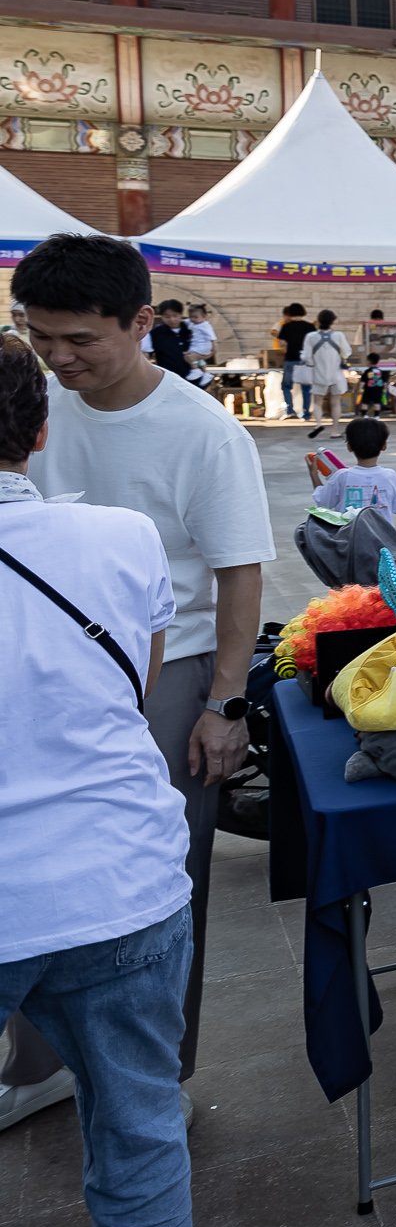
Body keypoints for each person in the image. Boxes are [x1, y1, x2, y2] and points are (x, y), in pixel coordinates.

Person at [13, 234, 272, 1109]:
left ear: (142, 321)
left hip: (167, 673)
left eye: (80, 338)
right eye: (39, 335)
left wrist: (224, 703)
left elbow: (239, 573)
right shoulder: (35, 407)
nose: (58, 355)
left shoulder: (201, 430)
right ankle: (39, 1067)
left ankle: (158, 1067)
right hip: (41, 664)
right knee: (34, 868)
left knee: (166, 872)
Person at [0, 343, 197, 1227]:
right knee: (141, 1136)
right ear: (39, 432)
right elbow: (133, 689)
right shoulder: (122, 537)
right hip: (123, 880)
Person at [311, 417, 396, 517]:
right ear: (384, 446)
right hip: (381, 532)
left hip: (348, 532)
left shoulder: (342, 476)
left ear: (349, 447)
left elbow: (323, 503)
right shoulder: (390, 475)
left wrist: (313, 474)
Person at [302, 309, 350, 436]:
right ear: (332, 322)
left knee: (317, 402)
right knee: (336, 402)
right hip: (337, 374)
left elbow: (306, 356)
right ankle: (334, 431)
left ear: (318, 321)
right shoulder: (339, 336)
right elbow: (347, 352)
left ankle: (318, 424)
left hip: (319, 373)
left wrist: (311, 362)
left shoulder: (310, 337)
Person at [273, 303, 315, 419]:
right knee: (306, 388)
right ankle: (306, 413)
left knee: (286, 386)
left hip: (290, 359)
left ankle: (290, 411)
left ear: (290, 313)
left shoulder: (286, 326)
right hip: (305, 360)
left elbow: (281, 343)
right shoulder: (310, 327)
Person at [145, 299, 190, 382]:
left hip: (194, 379)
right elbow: (146, 355)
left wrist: (198, 356)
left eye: (175, 315)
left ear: (181, 314)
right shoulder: (155, 334)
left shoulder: (191, 329)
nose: (172, 319)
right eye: (167, 317)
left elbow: (210, 350)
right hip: (169, 379)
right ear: (161, 316)